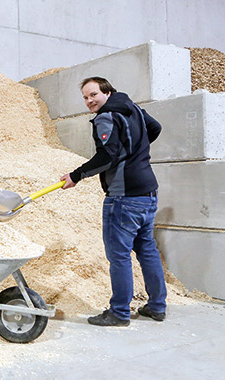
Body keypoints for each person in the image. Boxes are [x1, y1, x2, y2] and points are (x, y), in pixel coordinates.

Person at [60, 77, 167, 327]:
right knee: (146, 249)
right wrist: (135, 150)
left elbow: (107, 156)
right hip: (148, 193)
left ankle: (119, 312)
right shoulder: (134, 107)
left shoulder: (105, 117)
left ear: (107, 92)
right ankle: (157, 306)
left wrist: (76, 176)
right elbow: (155, 128)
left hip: (124, 197)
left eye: (94, 94)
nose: (89, 101)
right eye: (86, 97)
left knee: (119, 256)